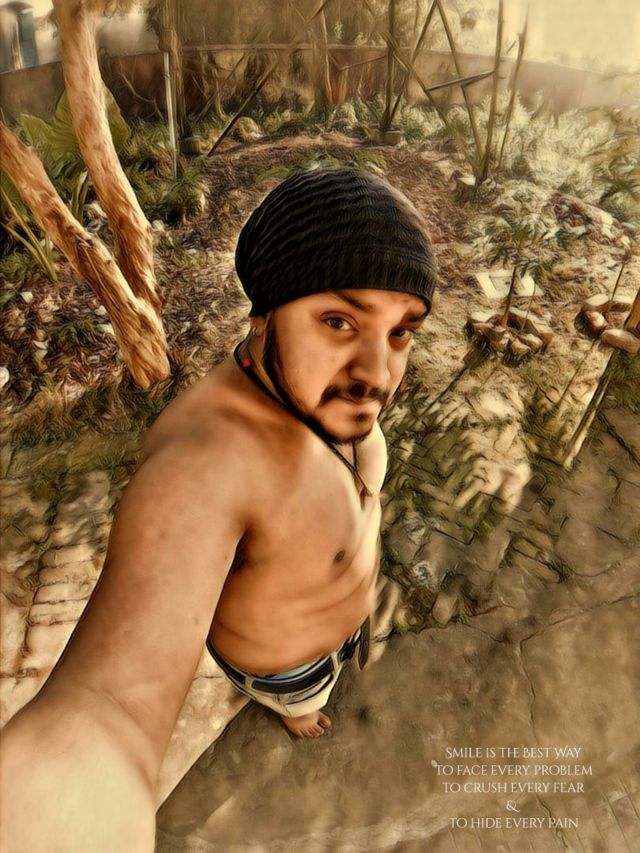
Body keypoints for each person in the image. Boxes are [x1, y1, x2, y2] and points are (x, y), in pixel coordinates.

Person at [0, 167, 437, 851]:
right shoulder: (210, 459)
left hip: (340, 626)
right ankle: (294, 711)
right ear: (264, 314)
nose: (377, 374)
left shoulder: (316, 391)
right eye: (338, 321)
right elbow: (109, 705)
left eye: (401, 331)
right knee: (302, 703)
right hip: (286, 669)